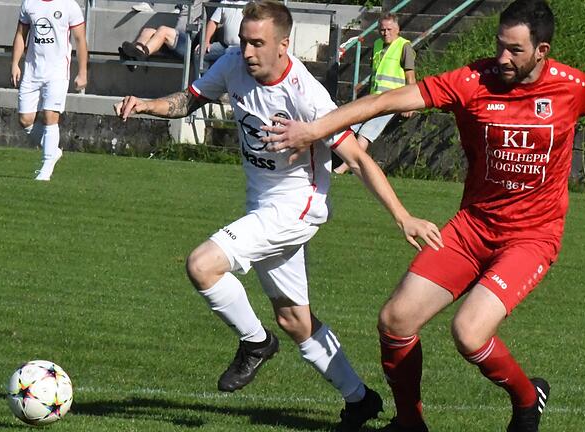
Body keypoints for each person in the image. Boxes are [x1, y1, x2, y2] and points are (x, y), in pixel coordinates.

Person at [260, 1, 585, 431]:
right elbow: (387, 100)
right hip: (473, 228)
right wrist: (316, 130)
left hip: (532, 236)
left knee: (469, 333)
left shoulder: (572, 86)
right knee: (396, 320)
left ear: (542, 50)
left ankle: (527, 399)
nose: (503, 58)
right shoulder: (472, 80)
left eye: (515, 51)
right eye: (499, 46)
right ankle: (410, 424)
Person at [114, 2, 442, 431]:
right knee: (294, 319)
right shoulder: (232, 63)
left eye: (257, 43)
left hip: (296, 206)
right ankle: (360, 399)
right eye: (245, 41)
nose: (247, 51)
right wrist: (145, 105)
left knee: (202, 264)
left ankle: (255, 343)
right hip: (261, 204)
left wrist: (403, 216)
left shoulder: (307, 94)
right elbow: (189, 101)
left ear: (284, 45)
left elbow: (358, 160)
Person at [11, 0, 88, 181]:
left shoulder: (70, 5)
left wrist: (82, 72)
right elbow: (21, 35)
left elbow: (80, 40)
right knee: (25, 119)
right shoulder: (29, 3)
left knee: (50, 116)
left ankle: (46, 167)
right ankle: (53, 150)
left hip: (57, 72)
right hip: (32, 70)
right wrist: (15, 63)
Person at [334, 12, 416, 175]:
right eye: (382, 30)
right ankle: (347, 161)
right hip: (375, 97)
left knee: (366, 132)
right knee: (350, 124)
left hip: (393, 99)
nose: (385, 33)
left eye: (389, 29)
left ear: (397, 29)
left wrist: (409, 104)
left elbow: (410, 77)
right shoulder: (378, 44)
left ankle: (346, 166)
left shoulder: (404, 46)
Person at [199, 0, 249, 69]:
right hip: (225, 47)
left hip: (244, 48)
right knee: (199, 53)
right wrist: (206, 41)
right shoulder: (224, 2)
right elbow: (213, 22)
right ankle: (206, 79)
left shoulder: (251, 4)